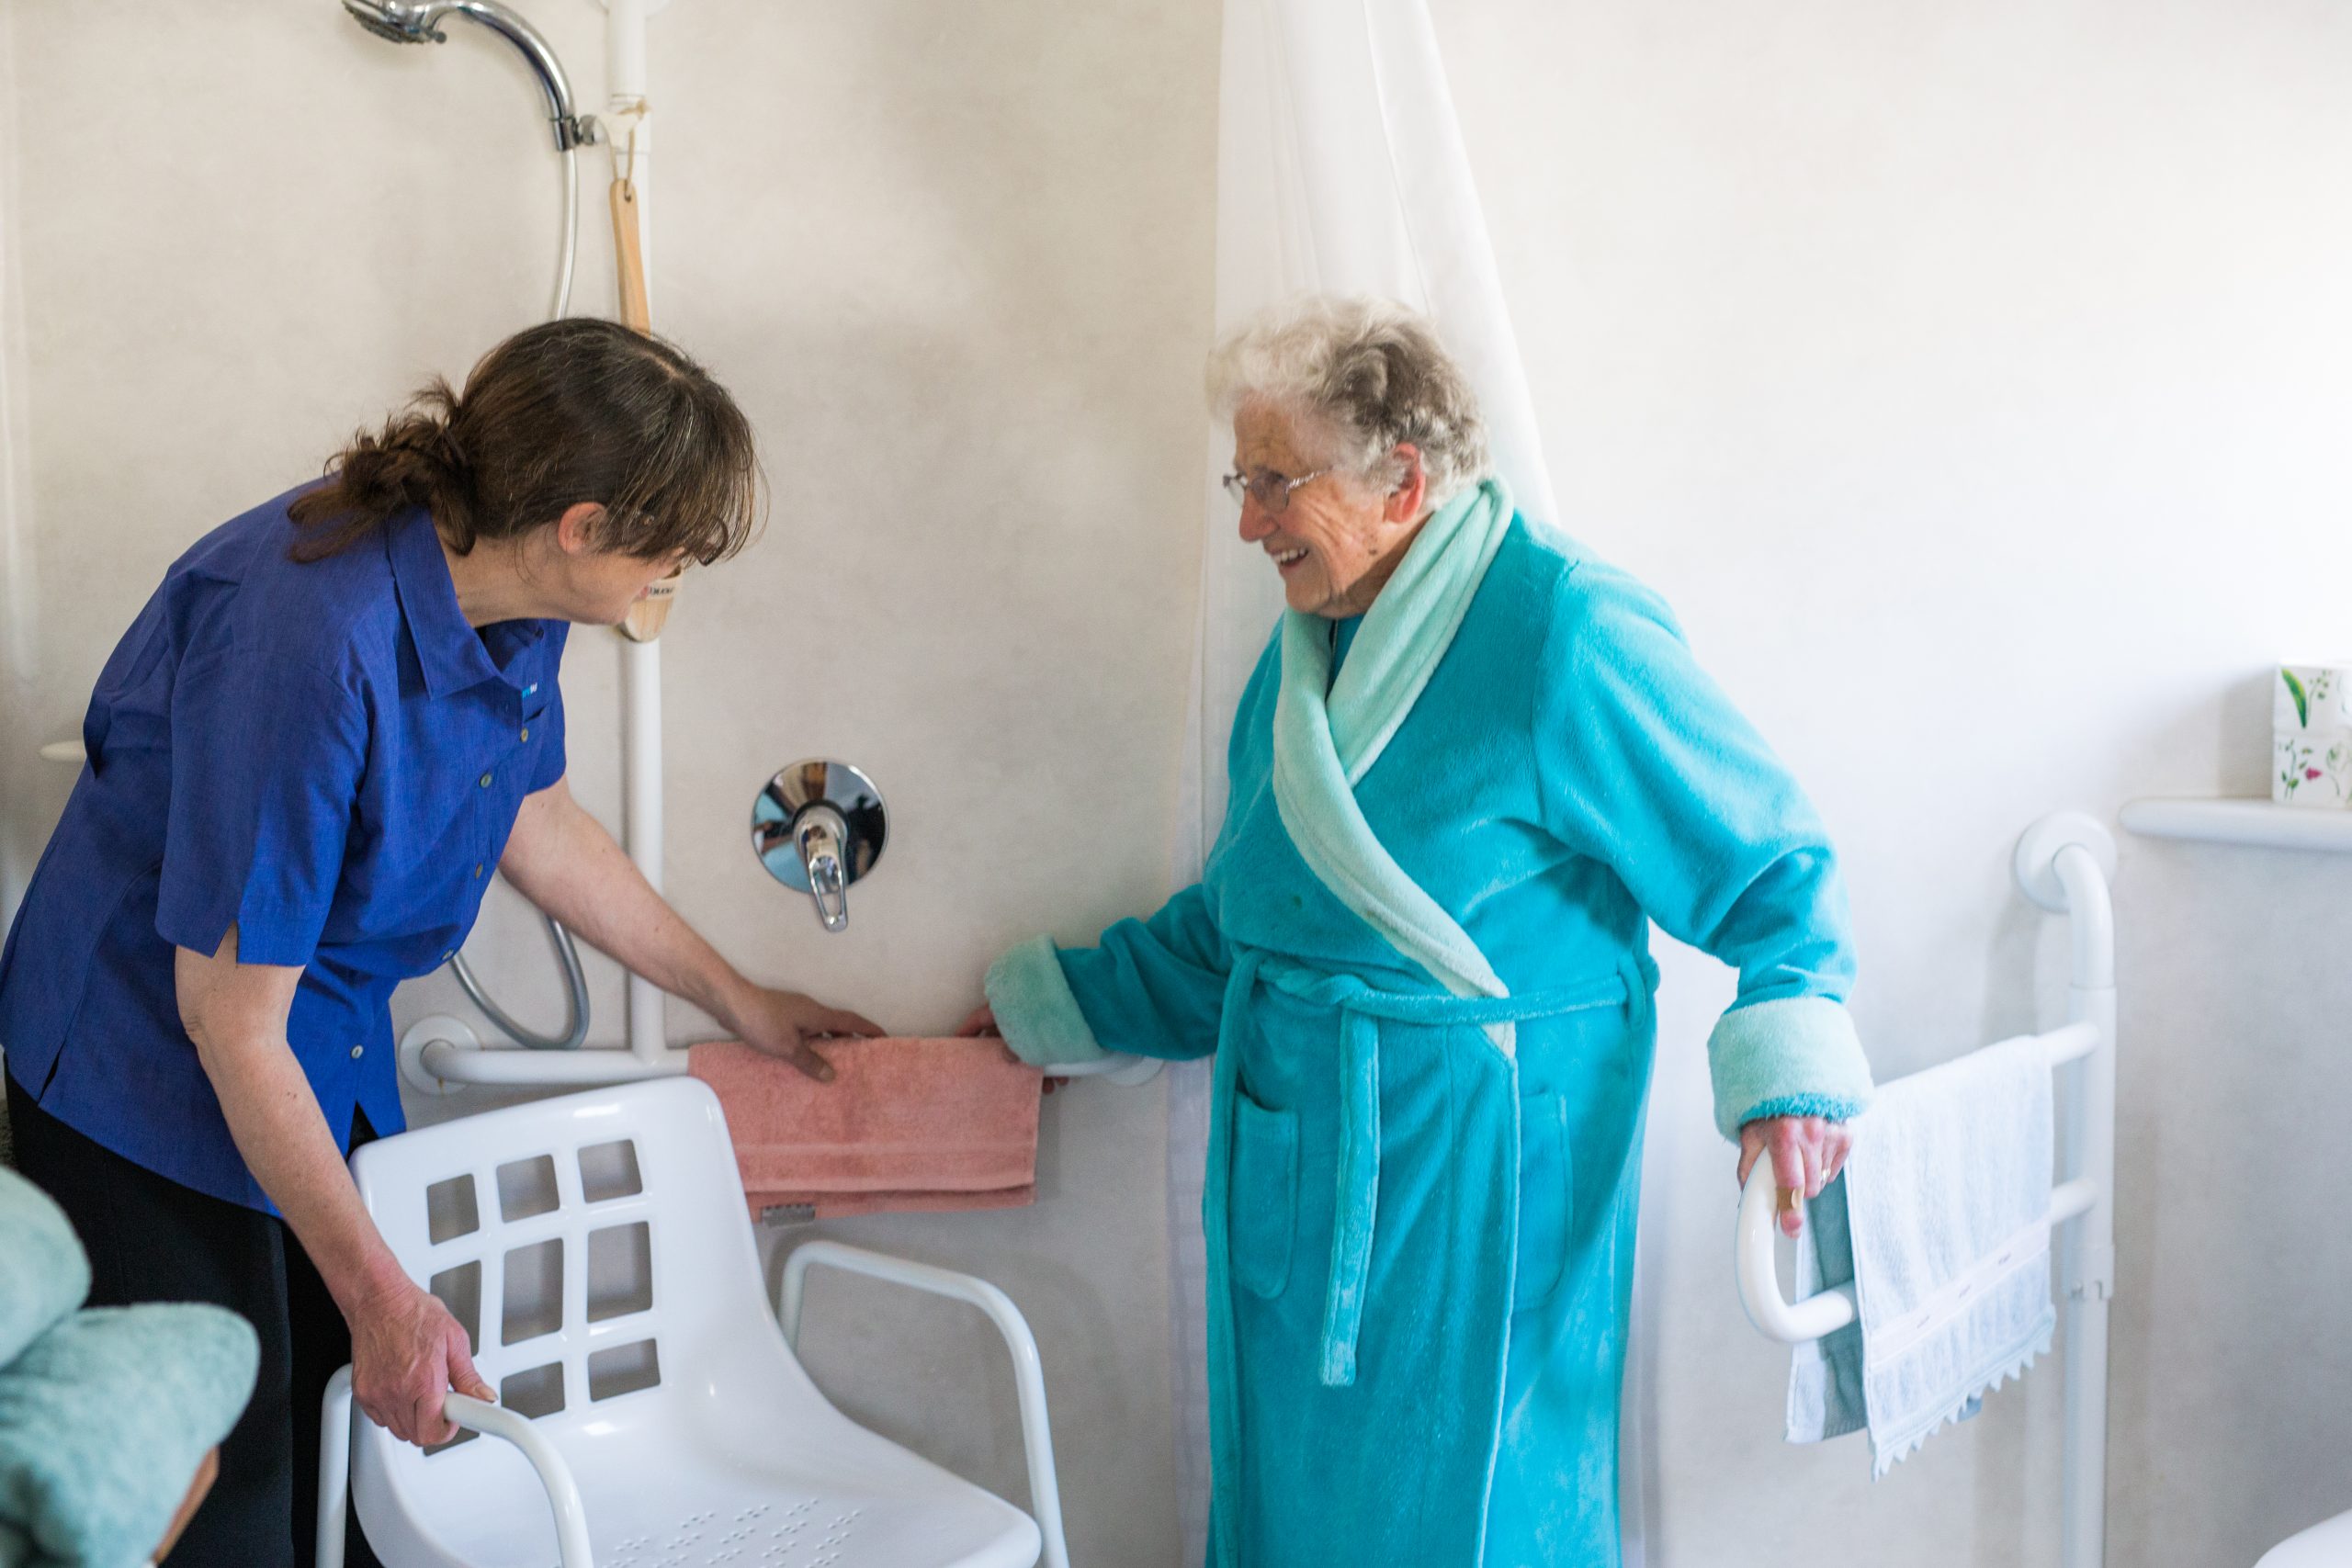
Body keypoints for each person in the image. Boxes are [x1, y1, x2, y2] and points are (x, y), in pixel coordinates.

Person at [965, 296, 1874, 1566]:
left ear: (1401, 480)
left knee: (1489, 1506)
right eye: (1243, 479)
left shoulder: (1567, 629)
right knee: (1301, 1506)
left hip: (1487, 1173)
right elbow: (1252, 923)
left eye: (1275, 482)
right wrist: (1049, 1007)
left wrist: (1793, 1077)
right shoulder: (1299, 666)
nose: (1246, 521)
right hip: (1301, 1162)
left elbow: (1772, 868)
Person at [0, 318, 874, 1564]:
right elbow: (228, 1021)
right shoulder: (305, 641)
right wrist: (379, 1295)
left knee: (359, 1460)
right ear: (582, 527)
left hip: (320, 1047)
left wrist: (741, 1000)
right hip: (147, 1067)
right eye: (663, 564)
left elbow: (536, 812)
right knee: (224, 1491)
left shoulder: (512, 594)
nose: (659, 590)